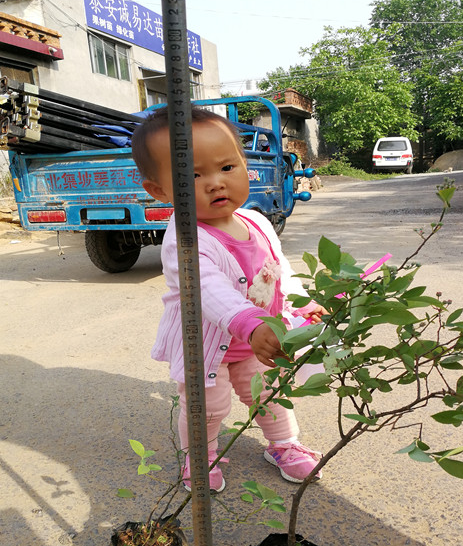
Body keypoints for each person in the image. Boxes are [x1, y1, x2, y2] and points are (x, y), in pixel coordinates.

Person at [131, 106, 325, 492]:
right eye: (194, 176)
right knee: (208, 407)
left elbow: (278, 270)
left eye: (227, 168)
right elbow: (206, 288)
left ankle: (284, 445)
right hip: (207, 346)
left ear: (244, 164)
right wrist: (249, 323)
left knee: (272, 393)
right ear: (159, 190)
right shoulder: (184, 239)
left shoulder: (256, 222)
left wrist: (302, 303)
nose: (215, 183)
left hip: (258, 341)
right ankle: (199, 458)